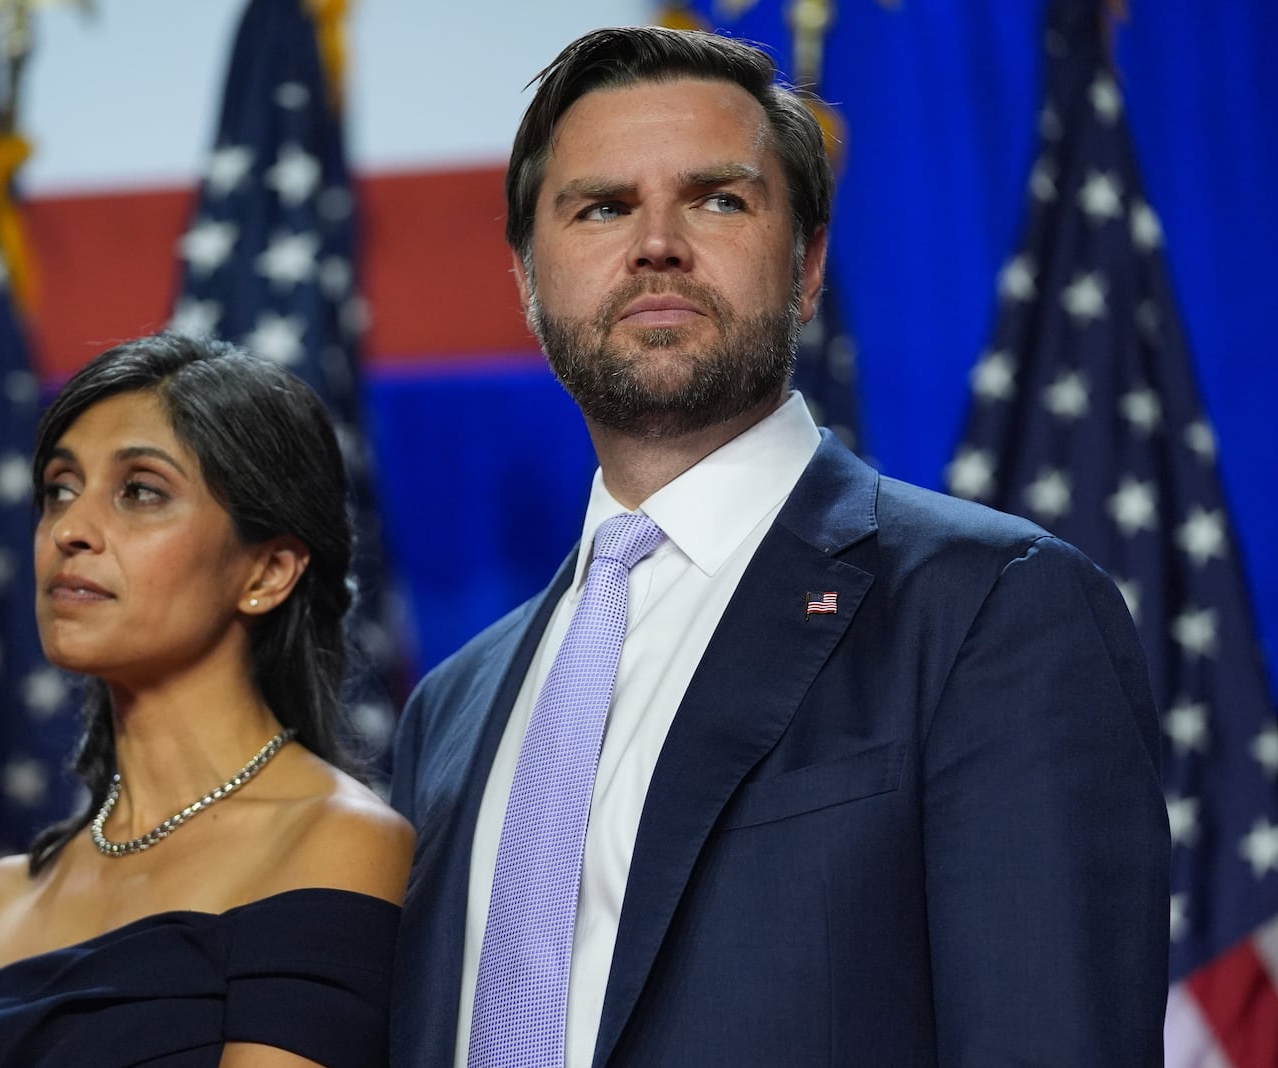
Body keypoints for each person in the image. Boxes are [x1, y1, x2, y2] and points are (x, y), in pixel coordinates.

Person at [389, 26, 1168, 1068]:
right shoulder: (450, 707)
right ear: (529, 281)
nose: (656, 242)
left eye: (717, 199)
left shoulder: (990, 611)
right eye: (603, 207)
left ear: (806, 266)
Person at [0, 333, 414, 1068]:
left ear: (268, 571)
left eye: (140, 492)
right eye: (59, 489)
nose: (69, 531)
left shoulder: (338, 845)